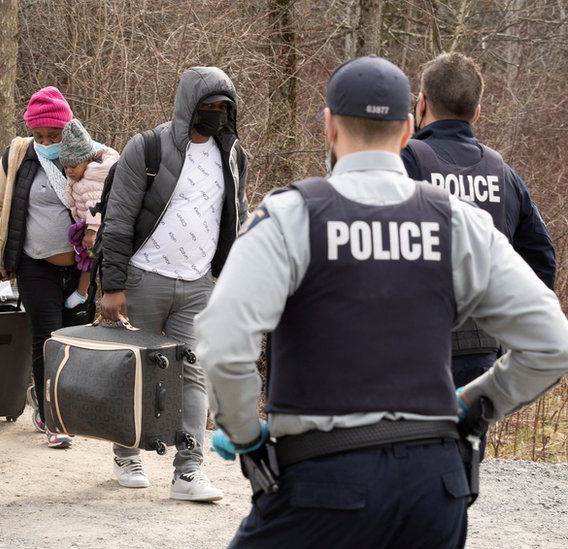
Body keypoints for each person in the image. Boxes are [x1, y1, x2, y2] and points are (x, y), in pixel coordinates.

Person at [196, 55, 568, 547]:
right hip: (434, 489)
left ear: (329, 125)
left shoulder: (290, 217)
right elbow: (552, 344)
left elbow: (223, 342)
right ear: (408, 128)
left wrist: (246, 435)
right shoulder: (459, 222)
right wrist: (473, 404)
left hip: (321, 481)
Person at [98, 66, 248, 502]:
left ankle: (188, 471)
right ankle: (127, 454)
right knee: (134, 371)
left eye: (225, 108)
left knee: (194, 376)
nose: (217, 115)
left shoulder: (233, 156)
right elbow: (119, 218)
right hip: (143, 279)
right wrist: (112, 285)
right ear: (189, 107)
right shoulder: (147, 148)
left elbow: (233, 217)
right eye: (209, 108)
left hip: (198, 284)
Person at [403, 52, 557, 404]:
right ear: (477, 112)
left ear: (421, 102)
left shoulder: (404, 161)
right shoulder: (504, 175)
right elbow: (542, 258)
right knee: (466, 451)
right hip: (481, 349)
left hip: (414, 341)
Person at [0, 86, 83, 449]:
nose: (45, 141)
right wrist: (3, 258)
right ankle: (51, 416)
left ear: (67, 131)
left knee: (75, 340)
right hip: (33, 264)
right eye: (39, 134)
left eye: (53, 136)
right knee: (49, 339)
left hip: (79, 270)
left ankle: (64, 404)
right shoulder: (18, 155)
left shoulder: (86, 155)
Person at [59, 119, 119, 308]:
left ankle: (83, 293)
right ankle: (85, 292)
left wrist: (91, 231)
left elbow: (96, 205)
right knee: (86, 258)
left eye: (73, 166)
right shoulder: (80, 176)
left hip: (96, 228)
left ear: (87, 160)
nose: (69, 170)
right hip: (86, 225)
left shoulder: (92, 178)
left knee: (89, 258)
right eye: (66, 166)